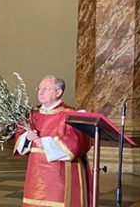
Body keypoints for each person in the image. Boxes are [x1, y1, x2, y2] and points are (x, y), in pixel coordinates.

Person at [13, 75, 91, 207]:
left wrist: (46, 143)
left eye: (46, 89)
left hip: (59, 174)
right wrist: (27, 137)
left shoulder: (69, 115)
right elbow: (19, 135)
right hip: (36, 174)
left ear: (58, 93)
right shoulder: (33, 115)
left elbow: (76, 142)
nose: (41, 92)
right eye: (39, 88)